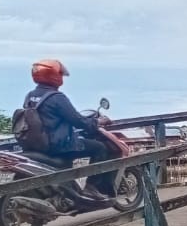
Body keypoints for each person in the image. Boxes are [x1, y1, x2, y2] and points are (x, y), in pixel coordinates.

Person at [21, 59, 120, 202]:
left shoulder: (30, 96)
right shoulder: (57, 98)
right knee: (99, 148)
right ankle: (92, 188)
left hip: (39, 144)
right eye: (60, 75)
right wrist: (98, 121)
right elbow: (78, 121)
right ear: (54, 76)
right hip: (59, 146)